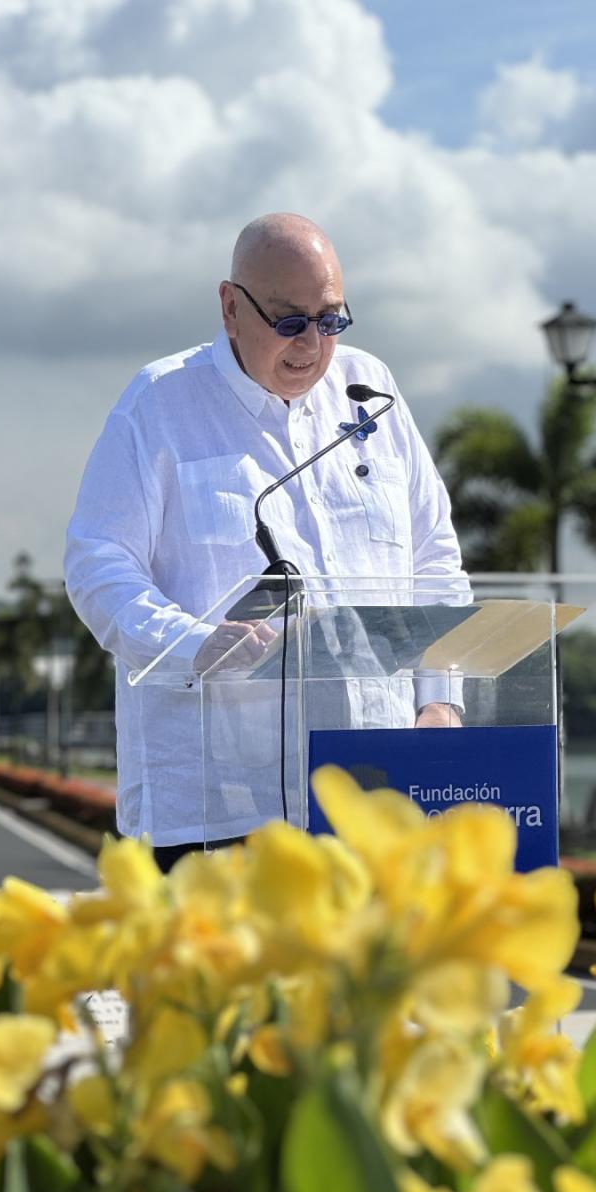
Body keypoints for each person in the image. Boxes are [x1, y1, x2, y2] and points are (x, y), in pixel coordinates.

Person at [65, 213, 466, 870]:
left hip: (375, 796)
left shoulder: (373, 394)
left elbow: (434, 561)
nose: (312, 344)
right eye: (289, 322)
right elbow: (97, 564)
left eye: (331, 320)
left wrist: (441, 699)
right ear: (230, 308)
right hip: (219, 809)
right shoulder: (161, 403)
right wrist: (194, 645)